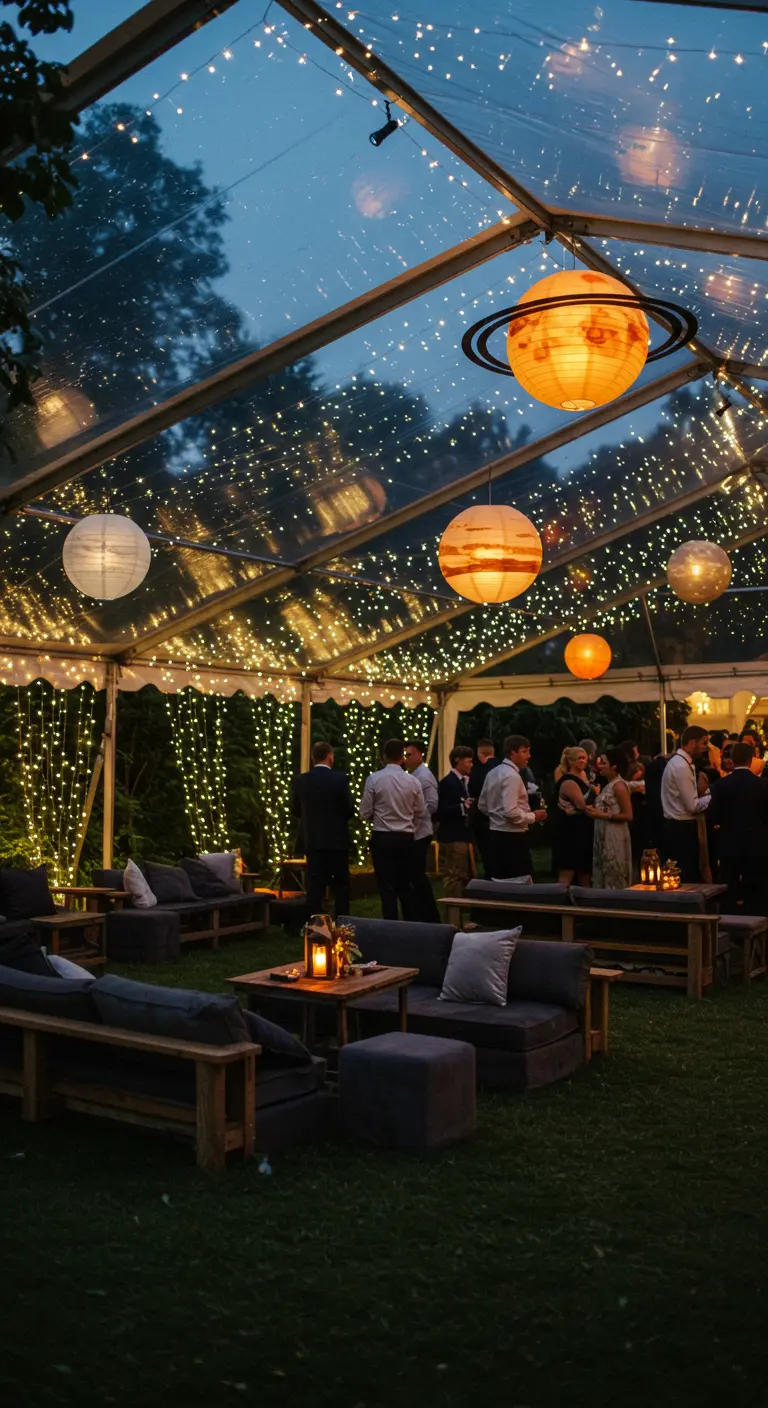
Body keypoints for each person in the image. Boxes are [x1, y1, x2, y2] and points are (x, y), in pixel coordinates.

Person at [360, 738, 428, 920]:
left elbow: (365, 812)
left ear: (384, 756)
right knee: (406, 885)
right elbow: (421, 811)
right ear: (403, 758)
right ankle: (409, 924)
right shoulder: (413, 781)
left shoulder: (374, 779)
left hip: (382, 837)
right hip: (406, 837)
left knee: (386, 886)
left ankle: (390, 924)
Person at [290, 741, 354, 919]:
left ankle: (316, 923)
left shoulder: (302, 780)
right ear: (330, 756)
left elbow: (295, 809)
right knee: (341, 885)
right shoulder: (340, 779)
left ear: (313, 758)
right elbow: (348, 809)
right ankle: (342, 922)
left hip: (313, 840)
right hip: (337, 841)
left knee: (315, 884)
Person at [709, 741, 768, 915]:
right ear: (751, 761)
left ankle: (731, 931)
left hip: (730, 846)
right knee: (757, 893)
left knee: (730, 891)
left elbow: (714, 817)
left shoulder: (720, 786)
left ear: (732, 760)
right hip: (758, 846)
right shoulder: (763, 786)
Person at [478, 734, 547, 879]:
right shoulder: (511, 776)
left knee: (500, 880)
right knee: (519, 881)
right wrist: (534, 816)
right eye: (525, 751)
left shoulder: (493, 772)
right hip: (512, 838)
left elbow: (483, 805)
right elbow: (510, 811)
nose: (529, 756)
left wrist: (496, 817)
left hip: (495, 835)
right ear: (512, 752)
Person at [660, 724, 711, 882]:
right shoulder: (681, 766)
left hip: (677, 827)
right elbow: (692, 806)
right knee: (686, 876)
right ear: (691, 743)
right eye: (703, 743)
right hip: (681, 829)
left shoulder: (680, 762)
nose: (705, 748)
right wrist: (713, 795)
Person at [403, 739, 440, 922]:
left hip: (421, 832)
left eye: (409, 755)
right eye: (405, 755)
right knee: (414, 876)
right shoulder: (413, 775)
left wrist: (412, 813)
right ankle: (422, 914)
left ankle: (429, 916)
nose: (406, 759)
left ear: (419, 754)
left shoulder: (423, 776)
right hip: (414, 831)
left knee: (417, 876)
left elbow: (432, 804)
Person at [588, 748, 633, 889]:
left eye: (603, 763)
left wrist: (603, 815)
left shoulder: (619, 786)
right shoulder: (607, 785)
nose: (599, 766)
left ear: (614, 766)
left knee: (614, 870)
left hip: (614, 834)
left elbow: (628, 815)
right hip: (602, 832)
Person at [551, 745, 594, 886]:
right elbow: (581, 805)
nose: (583, 761)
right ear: (570, 761)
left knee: (585, 873)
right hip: (571, 832)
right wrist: (596, 793)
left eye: (585, 758)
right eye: (579, 758)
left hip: (584, 830)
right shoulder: (569, 781)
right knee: (567, 872)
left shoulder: (585, 777)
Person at [436, 745, 476, 897]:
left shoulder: (464, 782)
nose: (471, 765)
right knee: (454, 875)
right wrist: (462, 807)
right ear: (457, 761)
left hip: (462, 835)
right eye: (468, 761)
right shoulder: (448, 783)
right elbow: (440, 810)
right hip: (452, 836)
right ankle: (453, 910)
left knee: (463, 874)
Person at [468, 737, 500, 877]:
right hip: (504, 818)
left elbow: (473, 791)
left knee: (488, 853)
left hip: (484, 819)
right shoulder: (504, 767)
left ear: (480, 755)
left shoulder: (478, 772)